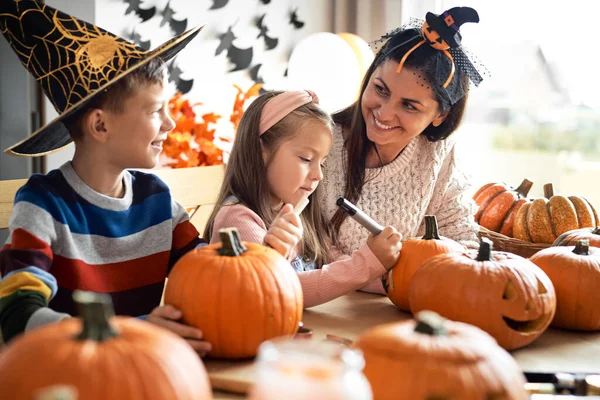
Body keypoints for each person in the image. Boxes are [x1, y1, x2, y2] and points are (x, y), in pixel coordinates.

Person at [0, 1, 298, 350]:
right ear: (100, 125)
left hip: (146, 365)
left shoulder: (156, 199)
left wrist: (267, 254)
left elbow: (214, 281)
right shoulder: (43, 205)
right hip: (73, 374)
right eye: (157, 110)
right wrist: (132, 330)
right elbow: (18, 316)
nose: (170, 124)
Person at [321, 7, 487, 293]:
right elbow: (310, 247)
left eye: (409, 105)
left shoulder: (438, 153)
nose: (384, 114)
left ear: (440, 116)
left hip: (406, 307)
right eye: (381, 90)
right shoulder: (321, 141)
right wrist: (387, 278)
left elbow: (462, 241)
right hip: (334, 305)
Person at [204, 90, 402, 307]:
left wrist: (391, 279)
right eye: (306, 159)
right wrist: (366, 264)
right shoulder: (237, 219)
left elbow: (335, 260)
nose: (319, 175)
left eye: (322, 163)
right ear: (261, 150)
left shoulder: (297, 215)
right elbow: (284, 288)